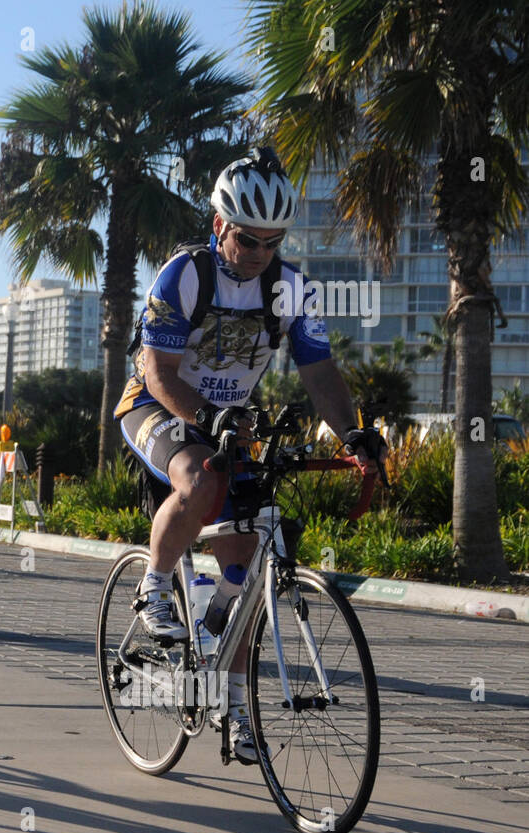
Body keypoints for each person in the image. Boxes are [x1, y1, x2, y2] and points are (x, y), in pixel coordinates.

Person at [115, 145, 388, 764]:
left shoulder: (291, 288)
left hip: (230, 425)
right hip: (156, 408)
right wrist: (206, 417)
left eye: (272, 242)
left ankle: (233, 701)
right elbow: (156, 371)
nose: (259, 254)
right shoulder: (185, 273)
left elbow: (319, 371)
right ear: (219, 227)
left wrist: (353, 435)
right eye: (246, 240)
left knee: (244, 567)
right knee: (198, 478)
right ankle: (154, 587)